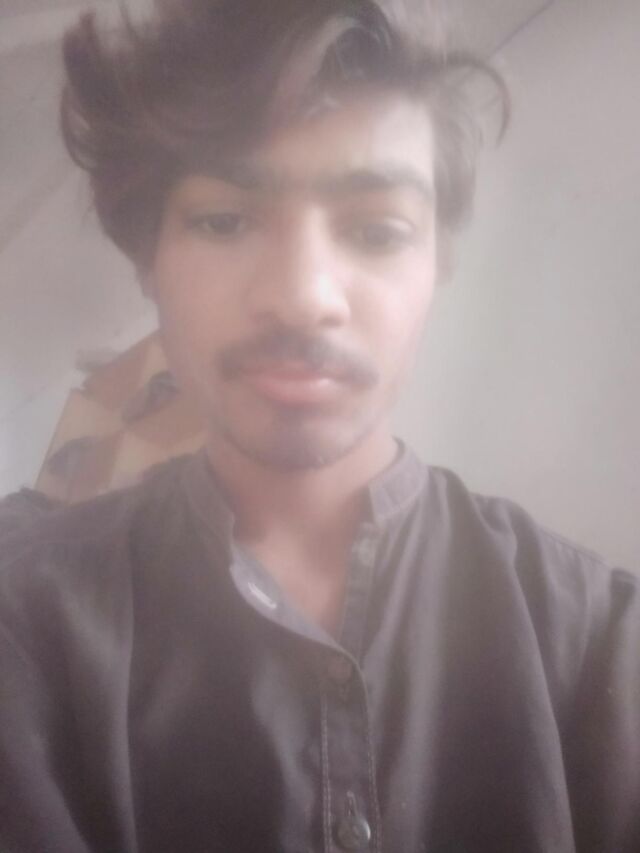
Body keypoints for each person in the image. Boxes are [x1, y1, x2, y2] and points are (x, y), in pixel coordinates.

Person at [1, 1, 639, 851]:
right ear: (148, 258)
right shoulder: (25, 628)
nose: (303, 296)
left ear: (438, 261)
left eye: (376, 229)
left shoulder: (600, 641)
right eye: (224, 220)